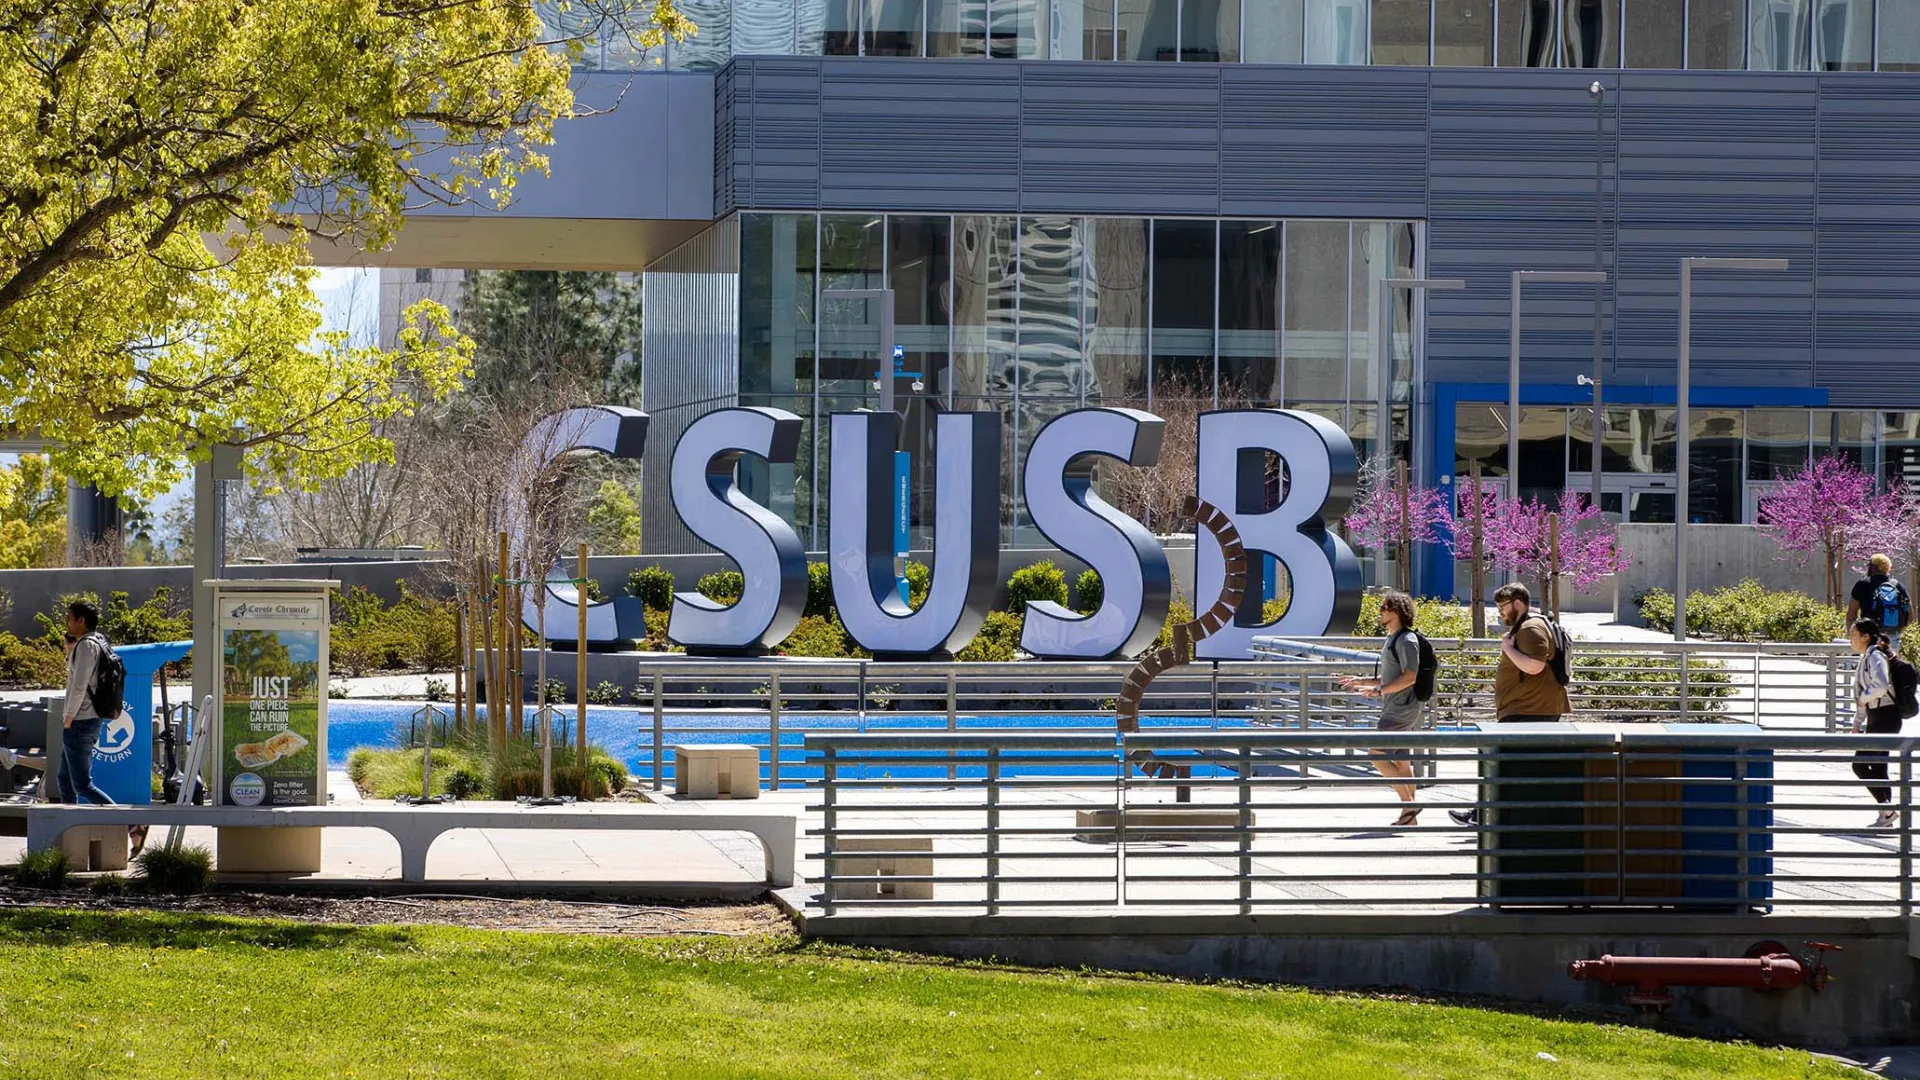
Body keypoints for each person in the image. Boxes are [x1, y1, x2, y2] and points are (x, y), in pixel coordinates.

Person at [1450, 582, 1570, 827]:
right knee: (1510, 766)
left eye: (1502, 606)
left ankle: (1484, 815)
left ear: (1518, 603)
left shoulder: (1530, 627)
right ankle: (1486, 814)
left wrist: (1506, 647)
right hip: (1529, 709)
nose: (1500, 612)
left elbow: (1535, 666)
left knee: (1502, 764)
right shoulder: (1529, 625)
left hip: (1528, 711)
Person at [1340, 591, 1423, 826]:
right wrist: (1362, 682)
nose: (1380, 612)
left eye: (1384, 608)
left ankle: (1410, 805)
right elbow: (1390, 677)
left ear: (1396, 611)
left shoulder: (1407, 640)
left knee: (1377, 755)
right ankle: (1409, 818)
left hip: (1400, 708)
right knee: (1402, 762)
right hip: (1399, 706)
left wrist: (1379, 691)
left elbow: (1410, 677)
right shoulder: (1394, 639)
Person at [56, 599, 115, 807]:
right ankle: (68, 826)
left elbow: (79, 686)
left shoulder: (87, 646)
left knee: (82, 785)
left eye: (69, 618)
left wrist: (69, 718)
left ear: (81, 621)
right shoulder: (98, 641)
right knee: (64, 778)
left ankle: (129, 823)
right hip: (84, 720)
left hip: (81, 720)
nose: (66, 622)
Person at [1848, 618, 1902, 830]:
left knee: (1860, 764)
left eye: (1853, 635)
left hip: (1886, 716)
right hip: (1877, 716)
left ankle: (1888, 810)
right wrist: (1857, 723)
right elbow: (1862, 696)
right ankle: (1885, 817)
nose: (1850, 639)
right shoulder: (1866, 658)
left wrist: (1864, 699)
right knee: (1879, 768)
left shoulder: (1875, 656)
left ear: (1865, 636)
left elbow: (1880, 685)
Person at [1847, 554, 1911, 652]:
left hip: (1868, 636)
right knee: (1890, 665)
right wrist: (1896, 631)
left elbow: (1851, 615)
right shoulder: (1898, 586)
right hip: (1892, 637)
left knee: (1871, 665)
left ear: (1873, 567)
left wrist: (1854, 636)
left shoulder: (1863, 584)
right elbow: (1910, 616)